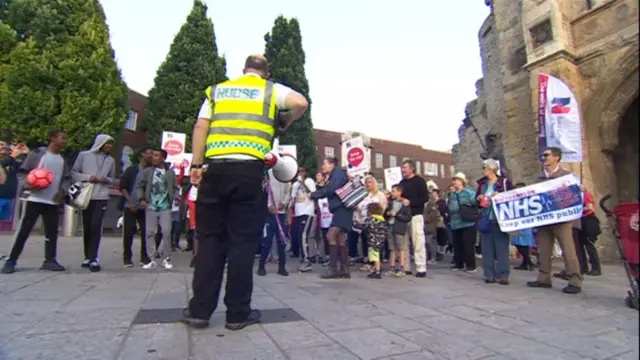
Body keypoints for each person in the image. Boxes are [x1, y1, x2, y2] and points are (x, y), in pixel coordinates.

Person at [183, 54, 308, 330]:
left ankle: (199, 311)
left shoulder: (218, 90)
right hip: (249, 173)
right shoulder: (270, 90)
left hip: (214, 170)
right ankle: (237, 313)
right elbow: (300, 102)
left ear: (243, 71)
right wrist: (286, 121)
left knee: (210, 240)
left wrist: (196, 163)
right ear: (265, 72)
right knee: (242, 243)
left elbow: (201, 125)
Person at [1, 130, 69, 274]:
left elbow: (66, 178)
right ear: (52, 138)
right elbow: (22, 173)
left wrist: (62, 191)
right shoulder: (38, 154)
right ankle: (11, 260)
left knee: (52, 232)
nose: (65, 141)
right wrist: (28, 185)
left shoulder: (62, 159)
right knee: (24, 231)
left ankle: (50, 260)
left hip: (52, 202)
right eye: (62, 138)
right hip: (33, 199)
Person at [527, 147, 583, 294]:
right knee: (544, 250)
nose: (543, 158)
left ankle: (575, 280)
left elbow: (576, 195)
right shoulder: (539, 178)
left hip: (562, 220)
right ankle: (544, 278)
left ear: (556, 157)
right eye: (543, 155)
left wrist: (579, 190)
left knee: (568, 250)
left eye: (546, 155)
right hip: (544, 219)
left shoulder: (567, 176)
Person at [71, 134, 115, 272]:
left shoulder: (111, 160)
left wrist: (106, 180)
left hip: (101, 196)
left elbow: (112, 178)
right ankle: (87, 256)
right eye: (107, 143)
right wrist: (88, 177)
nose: (110, 146)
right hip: (86, 195)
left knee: (96, 226)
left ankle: (94, 258)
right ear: (100, 143)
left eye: (111, 144)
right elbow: (73, 173)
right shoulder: (84, 155)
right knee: (87, 226)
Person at [311, 157, 353, 279]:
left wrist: (314, 194)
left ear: (331, 165)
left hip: (342, 209)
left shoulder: (338, 173)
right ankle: (344, 269)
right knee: (339, 238)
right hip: (341, 209)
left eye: (324, 163)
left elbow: (331, 190)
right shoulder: (336, 174)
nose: (322, 166)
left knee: (330, 236)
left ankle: (333, 269)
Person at [475, 159, 514, 285]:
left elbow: (513, 197)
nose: (483, 171)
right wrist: (479, 198)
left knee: (501, 248)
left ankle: (503, 274)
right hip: (486, 218)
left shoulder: (504, 182)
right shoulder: (482, 185)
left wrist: (500, 196)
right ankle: (489, 274)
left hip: (500, 219)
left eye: (484, 168)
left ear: (491, 169)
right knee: (487, 248)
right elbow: (477, 202)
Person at [138, 149, 177, 270]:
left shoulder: (170, 173)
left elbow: (175, 188)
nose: (153, 157)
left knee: (166, 231)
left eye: (156, 156)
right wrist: (141, 199)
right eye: (153, 155)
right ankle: (151, 259)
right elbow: (140, 186)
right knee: (149, 232)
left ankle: (166, 258)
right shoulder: (147, 172)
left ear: (163, 158)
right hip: (151, 206)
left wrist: (175, 198)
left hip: (165, 206)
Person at [119, 147, 153, 267]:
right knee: (129, 231)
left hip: (145, 207)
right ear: (141, 155)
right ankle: (127, 257)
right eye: (149, 153)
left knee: (146, 232)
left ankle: (145, 256)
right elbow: (122, 187)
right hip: (130, 205)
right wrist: (131, 202)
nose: (151, 156)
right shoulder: (132, 170)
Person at [398, 159, 428, 277]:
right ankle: (406, 267)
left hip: (416, 215)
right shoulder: (402, 183)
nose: (403, 170)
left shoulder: (420, 181)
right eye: (402, 167)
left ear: (412, 168)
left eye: (405, 167)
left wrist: (410, 202)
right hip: (403, 216)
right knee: (404, 243)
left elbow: (424, 198)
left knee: (418, 242)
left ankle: (421, 267)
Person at [257, 169, 290, 277]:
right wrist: (268, 205)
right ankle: (261, 266)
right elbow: (263, 191)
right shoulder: (268, 174)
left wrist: (284, 203)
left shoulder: (285, 175)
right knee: (267, 241)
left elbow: (287, 192)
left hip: (281, 213)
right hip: (270, 214)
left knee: (282, 241)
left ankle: (282, 267)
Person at [354, 175, 387, 272]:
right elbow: (358, 209)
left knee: (375, 243)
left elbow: (383, 207)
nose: (368, 184)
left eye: (370, 182)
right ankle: (368, 261)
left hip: (375, 222)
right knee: (366, 242)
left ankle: (376, 263)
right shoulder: (363, 195)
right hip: (365, 222)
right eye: (366, 182)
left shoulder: (379, 195)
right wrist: (358, 219)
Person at [448, 172, 478, 272]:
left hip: (468, 223)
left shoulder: (469, 193)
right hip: (455, 223)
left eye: (456, 180)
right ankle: (459, 263)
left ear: (461, 182)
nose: (454, 182)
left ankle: (470, 265)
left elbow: (476, 204)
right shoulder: (452, 195)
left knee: (468, 245)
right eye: (453, 180)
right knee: (457, 245)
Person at [290, 167, 316, 272]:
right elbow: (293, 198)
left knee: (303, 235)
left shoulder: (309, 181)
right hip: (298, 212)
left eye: (302, 171)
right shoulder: (295, 185)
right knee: (298, 236)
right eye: (298, 172)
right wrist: (289, 210)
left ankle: (307, 260)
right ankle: (303, 257)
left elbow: (312, 194)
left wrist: (303, 183)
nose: (300, 173)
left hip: (307, 211)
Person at [385, 184, 411, 276]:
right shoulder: (390, 202)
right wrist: (387, 213)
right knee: (392, 248)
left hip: (399, 227)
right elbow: (385, 214)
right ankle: (391, 268)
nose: (392, 193)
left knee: (401, 248)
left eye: (394, 191)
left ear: (399, 192)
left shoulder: (404, 203)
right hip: (390, 226)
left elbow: (407, 217)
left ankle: (402, 268)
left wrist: (397, 214)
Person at [510, 182, 536, 271]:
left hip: (525, 224)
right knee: (517, 243)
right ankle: (526, 262)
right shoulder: (514, 199)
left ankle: (528, 262)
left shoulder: (528, 200)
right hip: (516, 223)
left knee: (524, 244)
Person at [0, 141, 28, 221]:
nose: (4, 146)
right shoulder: (8, 159)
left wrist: (25, 154)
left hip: (9, 197)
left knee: (2, 223)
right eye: (1, 145)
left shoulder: (11, 161)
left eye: (5, 145)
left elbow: (24, 168)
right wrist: (12, 156)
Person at [363, 202, 387, 279]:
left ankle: (377, 271)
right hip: (381, 240)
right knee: (378, 255)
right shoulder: (382, 219)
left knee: (374, 256)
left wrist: (356, 224)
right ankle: (375, 269)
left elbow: (365, 227)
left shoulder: (370, 219)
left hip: (373, 240)